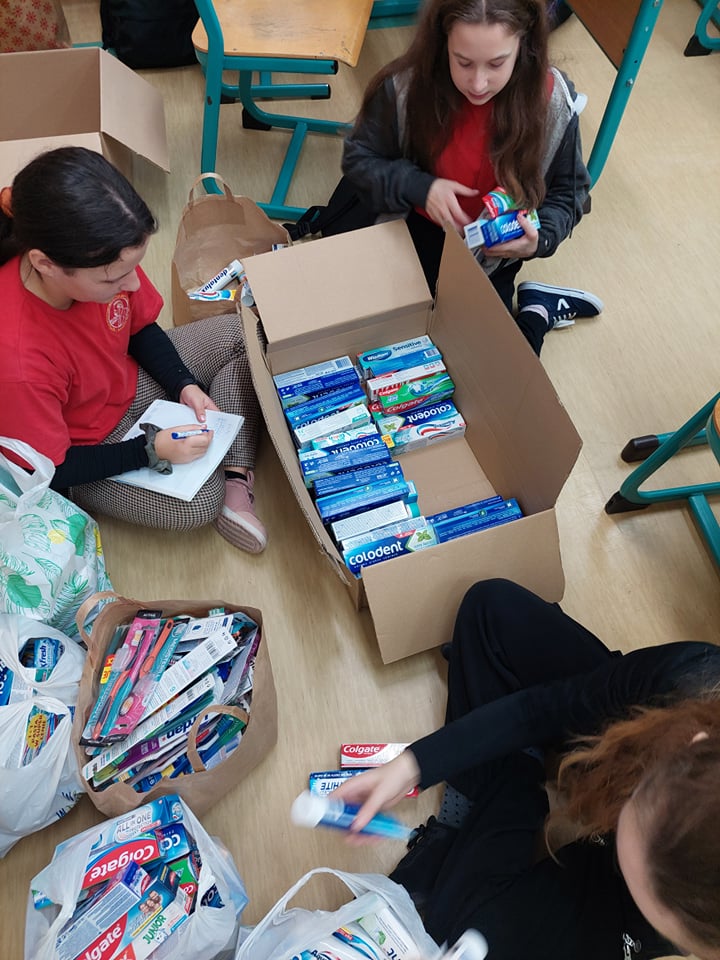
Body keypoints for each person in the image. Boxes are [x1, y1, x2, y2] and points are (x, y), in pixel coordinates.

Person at [333, 578, 720, 960]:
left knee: (457, 931)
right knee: (490, 610)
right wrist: (415, 764)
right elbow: (547, 707)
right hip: (644, 730)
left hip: (637, 899)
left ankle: (505, 782)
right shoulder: (692, 680)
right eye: (635, 799)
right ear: (693, 743)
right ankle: (489, 796)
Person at [0, 146, 266, 553]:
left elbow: (138, 326)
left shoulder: (105, 249)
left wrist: (183, 384)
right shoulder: (18, 359)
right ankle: (222, 472)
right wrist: (148, 451)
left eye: (132, 268)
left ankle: (234, 471)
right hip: (87, 446)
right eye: (113, 280)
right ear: (46, 264)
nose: (135, 284)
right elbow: (53, 468)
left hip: (126, 379)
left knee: (244, 332)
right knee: (197, 506)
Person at [342, 0, 602, 356]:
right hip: (411, 235)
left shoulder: (552, 100)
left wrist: (538, 241)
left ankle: (537, 312)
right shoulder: (406, 87)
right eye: (463, 62)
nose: (478, 84)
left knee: (497, 370)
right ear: (442, 41)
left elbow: (569, 194)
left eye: (497, 63)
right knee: (378, 348)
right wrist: (421, 187)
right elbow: (359, 160)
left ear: (524, 44)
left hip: (493, 259)